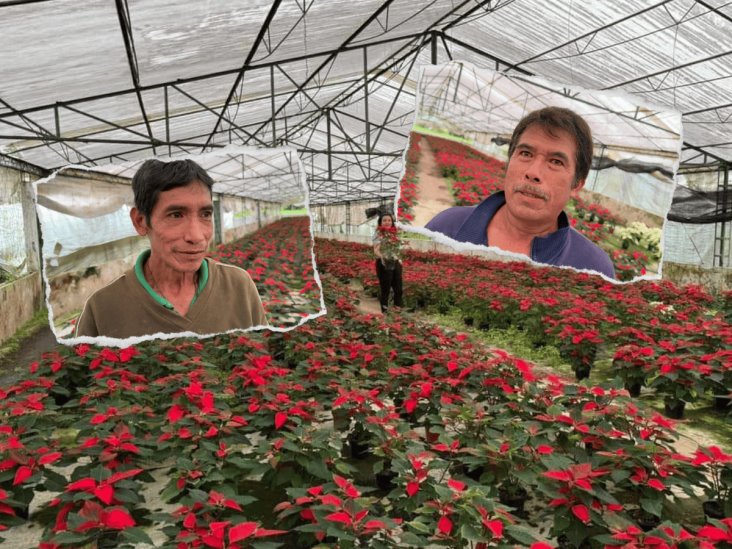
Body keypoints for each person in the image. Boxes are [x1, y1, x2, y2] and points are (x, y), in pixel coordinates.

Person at [75, 158, 267, 338]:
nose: (197, 236)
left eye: (205, 214)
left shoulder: (239, 287)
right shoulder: (102, 309)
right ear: (141, 221)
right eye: (176, 215)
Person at [425, 107, 615, 279]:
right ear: (509, 161)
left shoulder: (593, 268)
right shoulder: (447, 227)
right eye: (526, 154)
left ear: (577, 184)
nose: (533, 173)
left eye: (556, 162)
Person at [373, 213, 403, 313]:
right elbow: (376, 250)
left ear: (392, 222)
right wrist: (383, 257)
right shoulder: (378, 233)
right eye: (384, 220)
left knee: (398, 288)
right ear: (381, 222)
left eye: (389, 220)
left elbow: (397, 248)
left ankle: (397, 309)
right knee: (385, 289)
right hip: (383, 262)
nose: (387, 222)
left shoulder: (395, 233)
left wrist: (399, 258)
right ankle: (385, 311)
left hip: (395, 261)